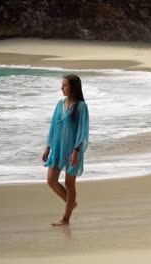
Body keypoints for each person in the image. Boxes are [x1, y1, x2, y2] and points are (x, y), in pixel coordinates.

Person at [42, 74, 89, 226]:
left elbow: (83, 131)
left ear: (73, 87)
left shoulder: (81, 107)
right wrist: (48, 147)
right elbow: (53, 127)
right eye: (62, 85)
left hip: (72, 149)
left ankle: (65, 219)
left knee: (70, 184)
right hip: (57, 147)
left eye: (65, 85)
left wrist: (76, 150)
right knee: (51, 180)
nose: (61, 88)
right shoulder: (59, 104)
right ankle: (71, 203)